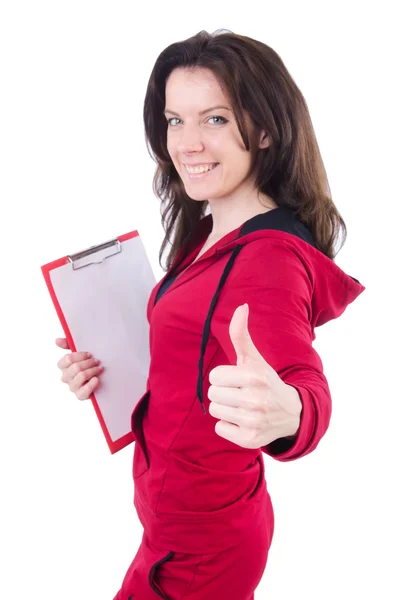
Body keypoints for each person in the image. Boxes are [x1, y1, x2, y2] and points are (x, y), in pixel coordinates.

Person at [55, 29, 365, 600]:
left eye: (216, 119)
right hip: (171, 532)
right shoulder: (209, 231)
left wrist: (293, 412)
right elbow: (191, 355)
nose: (188, 143)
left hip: (202, 552)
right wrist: (108, 368)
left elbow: (301, 381)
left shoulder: (267, 260)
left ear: (266, 130)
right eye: (176, 120)